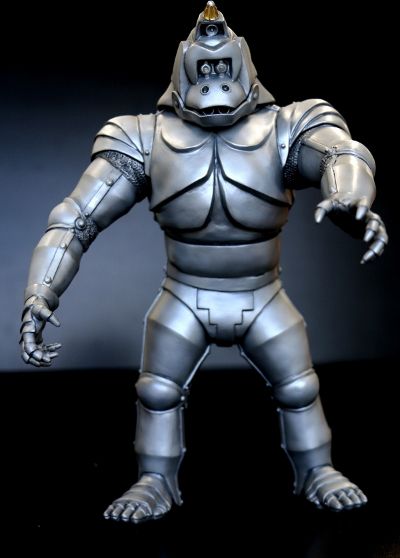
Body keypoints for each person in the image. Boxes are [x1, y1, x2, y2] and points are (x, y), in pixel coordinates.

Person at [20, 2, 388, 524]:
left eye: (223, 69)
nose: (214, 81)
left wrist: (351, 197)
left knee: (300, 388)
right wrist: (41, 291)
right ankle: (154, 479)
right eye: (205, 70)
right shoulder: (144, 138)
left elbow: (340, 153)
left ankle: (317, 470)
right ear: (182, 71)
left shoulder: (286, 127)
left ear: (245, 66)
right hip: (184, 295)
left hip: (263, 293)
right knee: (156, 391)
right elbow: (77, 219)